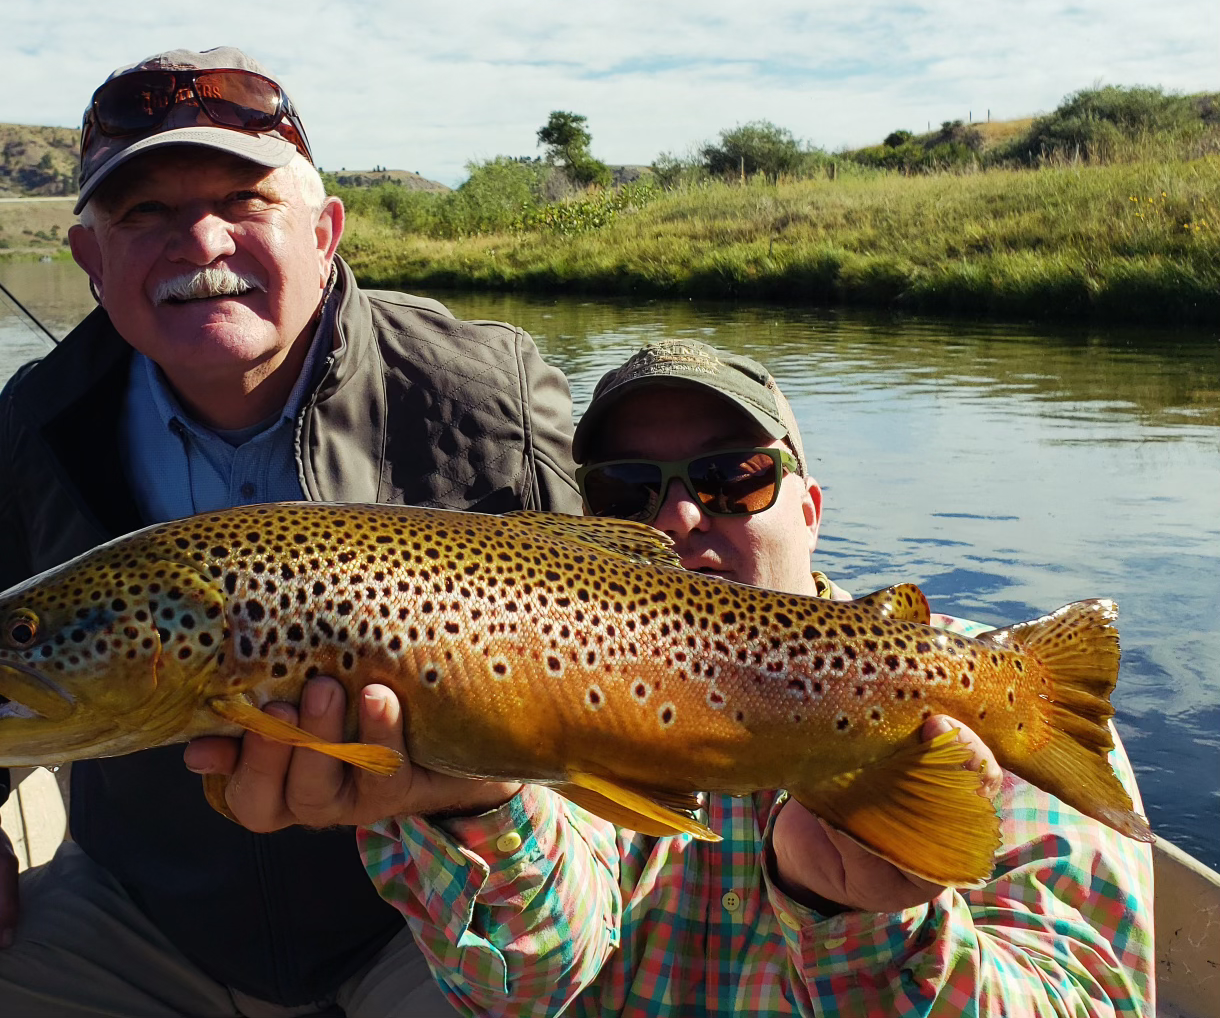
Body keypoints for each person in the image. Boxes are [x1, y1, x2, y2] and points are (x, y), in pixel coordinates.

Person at [0, 46, 577, 1017]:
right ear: (90, 260)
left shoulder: (486, 392)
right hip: (139, 913)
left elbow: (604, 626)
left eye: (244, 199)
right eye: (145, 213)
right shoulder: (41, 422)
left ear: (326, 233)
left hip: (423, 911)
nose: (202, 240)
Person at [348, 339, 1156, 1016]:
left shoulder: (991, 694)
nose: (679, 516)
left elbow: (1092, 999)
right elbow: (527, 984)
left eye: (732, 477)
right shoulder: (529, 679)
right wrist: (474, 788)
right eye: (626, 491)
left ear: (808, 508)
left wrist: (866, 924)